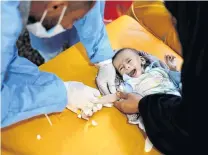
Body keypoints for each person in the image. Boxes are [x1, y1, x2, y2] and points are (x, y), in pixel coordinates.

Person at [1, 1, 117, 128]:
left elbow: (8, 66)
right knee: (48, 44)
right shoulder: (4, 22)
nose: (69, 27)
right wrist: (60, 94)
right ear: (56, 4)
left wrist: (103, 58)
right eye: (74, 19)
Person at [114, 1, 208, 154]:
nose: (127, 67)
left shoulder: (158, 69)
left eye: (129, 61)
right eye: (121, 68)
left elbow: (192, 129)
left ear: (142, 60)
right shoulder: (131, 82)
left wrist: (144, 105)